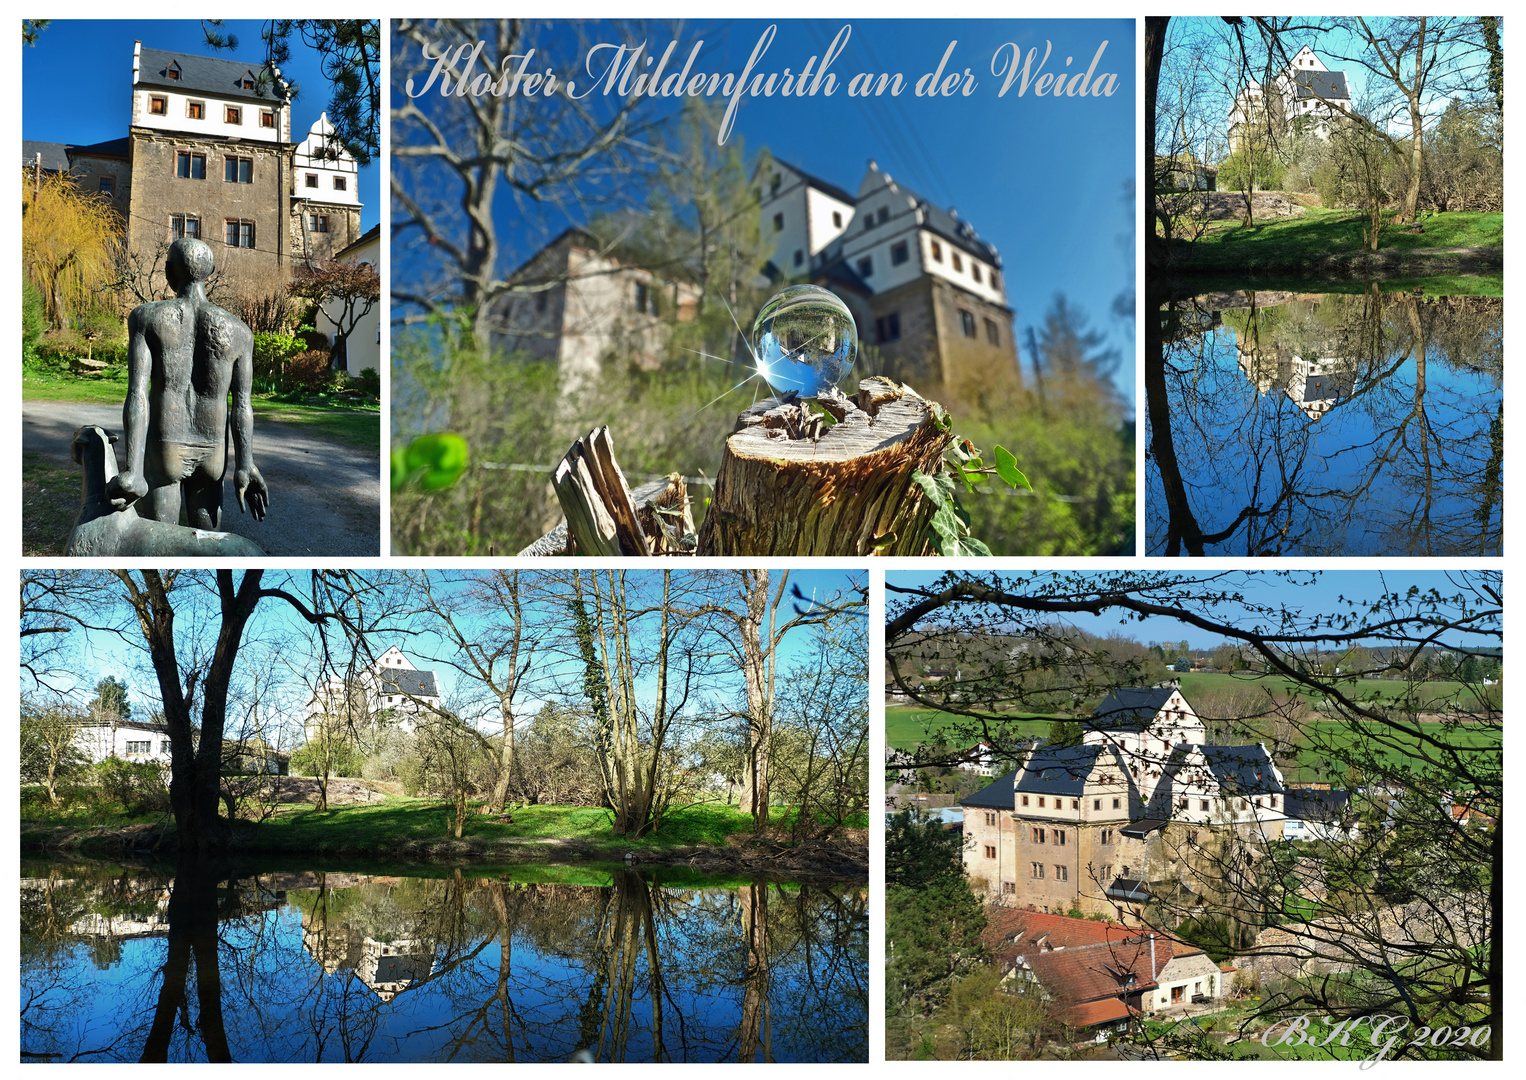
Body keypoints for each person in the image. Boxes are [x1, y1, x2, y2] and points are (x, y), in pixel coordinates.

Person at [106, 238, 268, 527]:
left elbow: (137, 394)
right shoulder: (240, 332)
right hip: (213, 453)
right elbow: (242, 404)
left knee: (159, 543)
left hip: (165, 446)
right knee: (207, 544)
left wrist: (133, 469)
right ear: (212, 271)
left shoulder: (146, 318)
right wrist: (246, 464)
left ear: (169, 272)